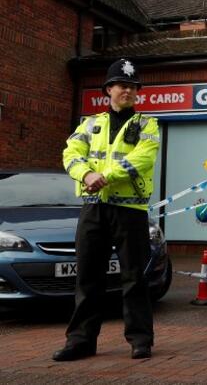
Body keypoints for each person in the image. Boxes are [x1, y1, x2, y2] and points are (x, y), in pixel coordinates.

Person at [54, 58, 160, 361]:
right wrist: (86, 174)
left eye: (133, 87)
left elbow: (143, 158)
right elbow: (71, 154)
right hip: (93, 207)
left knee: (134, 277)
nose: (128, 91)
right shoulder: (89, 124)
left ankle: (140, 340)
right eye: (122, 85)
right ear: (108, 90)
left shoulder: (147, 124)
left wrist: (105, 176)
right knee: (88, 277)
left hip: (130, 210)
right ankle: (81, 341)